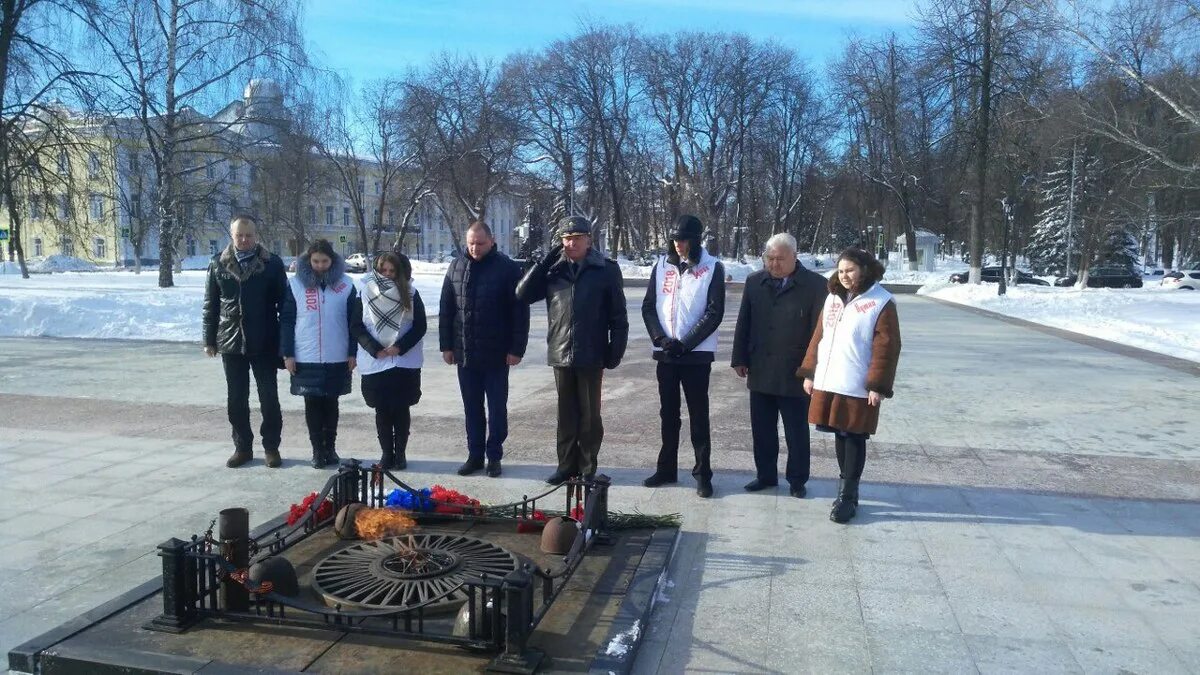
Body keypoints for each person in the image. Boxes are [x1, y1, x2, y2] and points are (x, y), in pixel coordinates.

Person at [516, 216, 628, 484]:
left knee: (590, 416)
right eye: (566, 238)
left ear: (589, 239)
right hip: (561, 350)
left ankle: (588, 467)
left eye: (577, 238)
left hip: (592, 352)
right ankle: (566, 465)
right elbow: (522, 294)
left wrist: (616, 351)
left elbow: (618, 315)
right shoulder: (553, 270)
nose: (571, 243)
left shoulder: (606, 270)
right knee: (565, 415)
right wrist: (542, 264)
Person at [799, 247, 901, 523]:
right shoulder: (833, 298)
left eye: (850, 270)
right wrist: (810, 372)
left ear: (864, 270)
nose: (844, 276)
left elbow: (887, 347)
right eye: (841, 270)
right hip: (831, 379)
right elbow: (819, 336)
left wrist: (877, 385)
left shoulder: (881, 302)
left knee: (854, 436)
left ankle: (848, 496)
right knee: (839, 435)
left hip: (858, 383)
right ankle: (846, 491)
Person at [730, 233, 828, 497]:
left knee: (796, 432)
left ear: (795, 257)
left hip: (795, 372)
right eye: (769, 258)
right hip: (761, 368)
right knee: (762, 429)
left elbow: (819, 334)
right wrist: (739, 358)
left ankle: (797, 480)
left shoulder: (816, 286)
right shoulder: (754, 282)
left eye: (779, 259)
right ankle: (765, 475)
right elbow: (744, 322)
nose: (773, 264)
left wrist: (811, 369)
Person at [640, 214, 725, 498]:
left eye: (684, 240)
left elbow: (714, 313)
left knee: (698, 415)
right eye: (675, 239)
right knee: (668, 414)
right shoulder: (662, 265)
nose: (678, 245)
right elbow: (649, 307)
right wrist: (660, 339)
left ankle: (703, 473)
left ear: (696, 240)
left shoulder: (712, 268)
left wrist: (685, 344)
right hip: (666, 354)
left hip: (696, 356)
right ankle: (666, 468)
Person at [439, 221, 530, 478]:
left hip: (496, 354)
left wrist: (516, 349)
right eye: (471, 243)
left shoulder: (508, 269)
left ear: (491, 241)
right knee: (472, 408)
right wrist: (446, 345)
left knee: (497, 408)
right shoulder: (456, 266)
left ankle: (494, 455)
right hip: (465, 354)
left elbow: (519, 313)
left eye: (480, 243)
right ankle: (475, 455)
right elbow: (447, 310)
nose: (475, 248)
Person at [203, 215, 287, 468]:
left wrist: (284, 344)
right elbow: (211, 304)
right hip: (230, 340)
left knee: (268, 397)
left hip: (264, 340)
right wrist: (209, 339)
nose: (244, 239)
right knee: (236, 398)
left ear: (256, 236)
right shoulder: (218, 263)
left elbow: (285, 306)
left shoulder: (272, 264)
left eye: (248, 235)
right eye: (239, 235)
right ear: (232, 235)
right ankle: (242, 447)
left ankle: (271, 447)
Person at [280, 239, 357, 469]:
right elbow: (286, 320)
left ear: (332, 260)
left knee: (331, 403)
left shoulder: (346, 285)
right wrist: (288, 353)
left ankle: (330, 448)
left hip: (337, 354)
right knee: (312, 403)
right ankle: (317, 450)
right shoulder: (296, 285)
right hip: (306, 355)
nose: (320, 265)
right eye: (316, 261)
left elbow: (354, 322)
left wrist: (352, 353)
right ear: (308, 260)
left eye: (325, 261)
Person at [351, 252, 426, 471]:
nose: (388, 275)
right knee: (382, 410)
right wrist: (375, 349)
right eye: (383, 270)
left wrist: (399, 347)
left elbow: (419, 326)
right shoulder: (365, 292)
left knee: (401, 410)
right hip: (376, 361)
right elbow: (356, 326)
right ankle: (386, 454)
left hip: (403, 361)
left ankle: (400, 454)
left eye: (393, 271)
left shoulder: (411, 293)